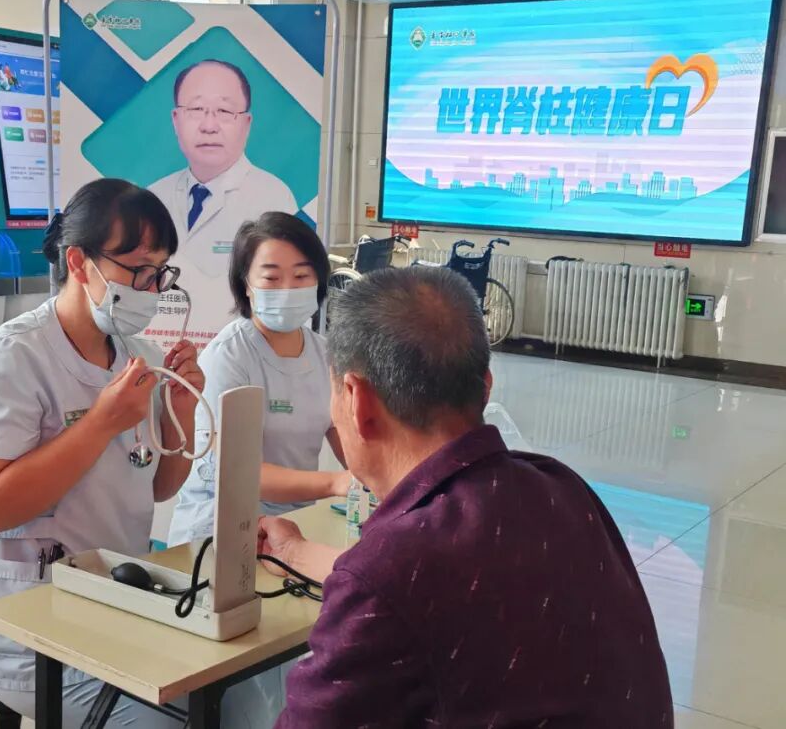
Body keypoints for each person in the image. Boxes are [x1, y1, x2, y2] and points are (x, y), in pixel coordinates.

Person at [260, 266, 674, 728]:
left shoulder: (390, 570)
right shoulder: (561, 487)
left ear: (357, 400)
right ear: (485, 385)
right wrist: (292, 552)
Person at [0, 179, 277, 727]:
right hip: (26, 626)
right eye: (139, 270)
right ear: (79, 262)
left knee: (242, 698)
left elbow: (160, 486)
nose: (152, 288)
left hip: (117, 599)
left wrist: (179, 409)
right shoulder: (10, 360)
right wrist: (101, 423)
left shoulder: (138, 355)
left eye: (160, 272)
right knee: (178, 722)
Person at [167, 212, 350, 545]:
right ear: (246, 285)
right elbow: (236, 470)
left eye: (301, 275)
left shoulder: (325, 353)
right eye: (271, 277)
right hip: (221, 530)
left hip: (292, 527)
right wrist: (336, 483)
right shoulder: (229, 356)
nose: (288, 288)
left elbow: (347, 437)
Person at [148, 60, 297, 279]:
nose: (209, 126)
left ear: (246, 124)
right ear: (176, 120)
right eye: (196, 109)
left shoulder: (274, 198)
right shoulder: (154, 197)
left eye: (224, 111)